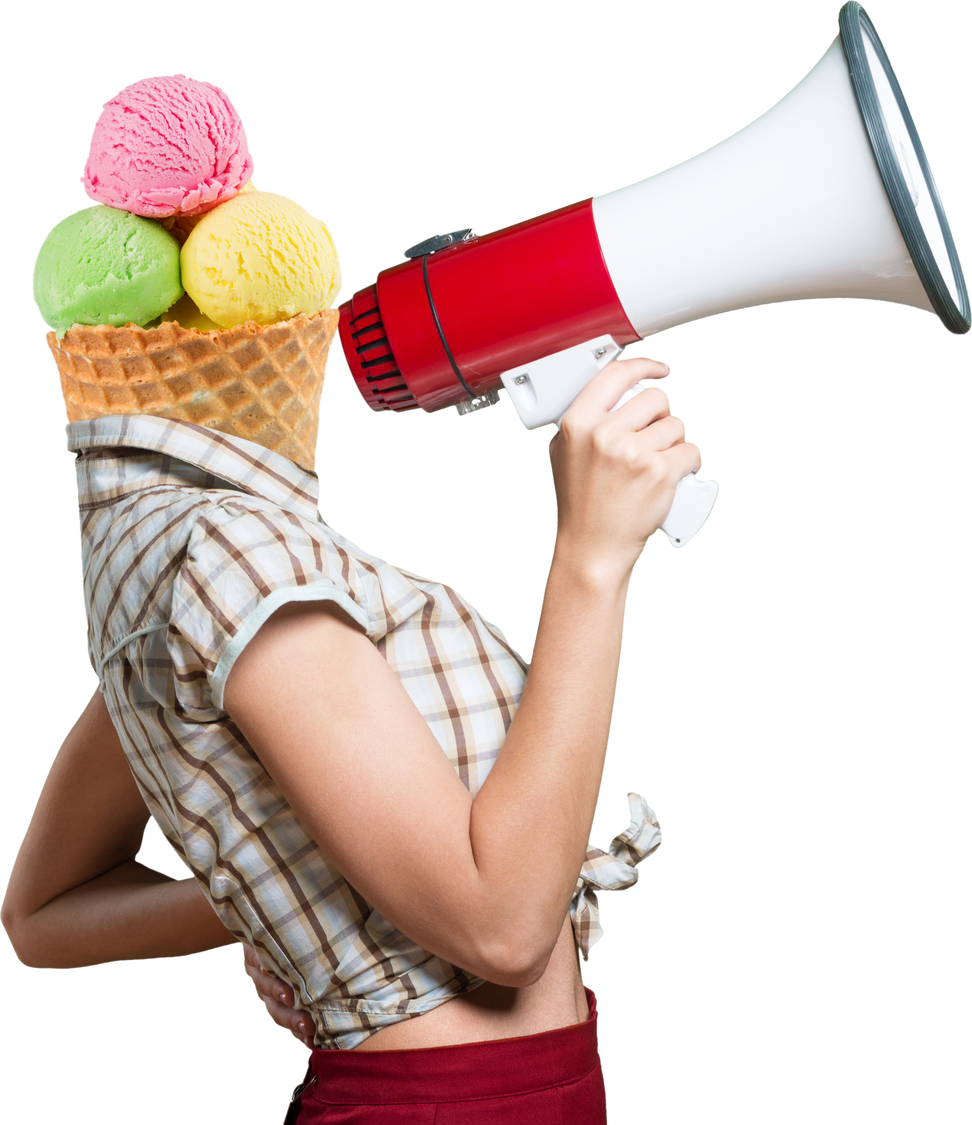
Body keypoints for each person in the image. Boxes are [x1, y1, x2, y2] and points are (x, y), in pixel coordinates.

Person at [2, 352, 696, 1123]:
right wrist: (594, 557)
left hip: (538, 1085)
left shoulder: (254, 561)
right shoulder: (232, 563)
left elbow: (44, 908)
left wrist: (299, 902)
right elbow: (504, 930)